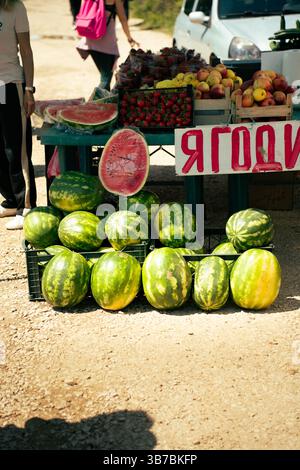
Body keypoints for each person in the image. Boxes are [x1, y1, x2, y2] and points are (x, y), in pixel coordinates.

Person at [0, 0, 36, 230]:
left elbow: (25, 49)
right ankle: (11, 200)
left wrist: (28, 89)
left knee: (16, 148)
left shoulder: (15, 8)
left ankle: (26, 206)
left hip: (10, 83)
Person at [77, 0, 139, 91]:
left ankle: (103, 103)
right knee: (105, 80)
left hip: (90, 41)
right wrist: (129, 38)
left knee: (105, 77)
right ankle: (95, 103)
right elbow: (123, 19)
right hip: (106, 45)